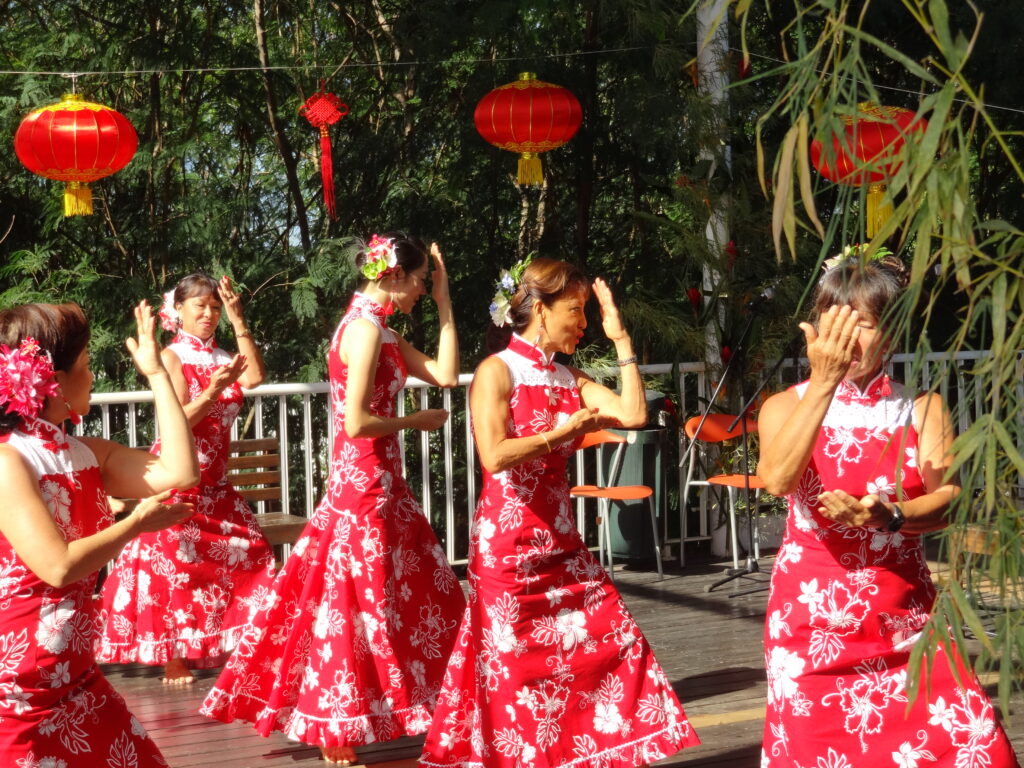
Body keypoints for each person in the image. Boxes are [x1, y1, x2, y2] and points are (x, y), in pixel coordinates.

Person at [420, 258, 700, 768]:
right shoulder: (495, 370)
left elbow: (635, 414)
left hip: (563, 544)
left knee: (613, 638)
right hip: (508, 549)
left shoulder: (569, 375)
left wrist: (620, 340)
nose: (584, 322)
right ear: (540, 311)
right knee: (513, 670)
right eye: (577, 310)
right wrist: (560, 434)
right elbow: (495, 455)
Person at [201, 233, 465, 765]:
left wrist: (443, 303)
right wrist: (414, 421)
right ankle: (336, 722)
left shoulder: (379, 328)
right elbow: (357, 421)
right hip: (364, 483)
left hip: (382, 482)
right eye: (418, 282)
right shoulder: (366, 330)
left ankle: (435, 698)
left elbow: (445, 375)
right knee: (351, 600)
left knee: (408, 586)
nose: (418, 290)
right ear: (392, 275)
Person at [756, 251, 1020, 767]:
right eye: (839, 322)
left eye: (865, 324)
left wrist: (891, 515)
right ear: (817, 329)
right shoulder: (784, 405)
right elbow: (777, 478)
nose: (850, 338)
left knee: (974, 741)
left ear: (892, 334)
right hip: (813, 624)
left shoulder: (922, 407)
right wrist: (825, 383)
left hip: (907, 619)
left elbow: (949, 499)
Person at [0, 301, 199, 766]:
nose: (94, 378)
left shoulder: (86, 453)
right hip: (18, 687)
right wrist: (133, 526)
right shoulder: (9, 461)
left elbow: (179, 471)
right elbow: (57, 565)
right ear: (54, 383)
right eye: (86, 366)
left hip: (77, 672)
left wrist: (157, 374)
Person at [97, 274, 276, 685]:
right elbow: (174, 423)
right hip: (179, 478)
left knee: (256, 554)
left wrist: (238, 316)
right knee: (176, 568)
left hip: (216, 483)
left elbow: (254, 378)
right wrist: (212, 393)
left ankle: (241, 642)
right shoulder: (173, 357)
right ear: (177, 310)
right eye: (201, 306)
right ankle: (172, 653)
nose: (209, 314)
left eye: (215, 307)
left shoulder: (222, 356)